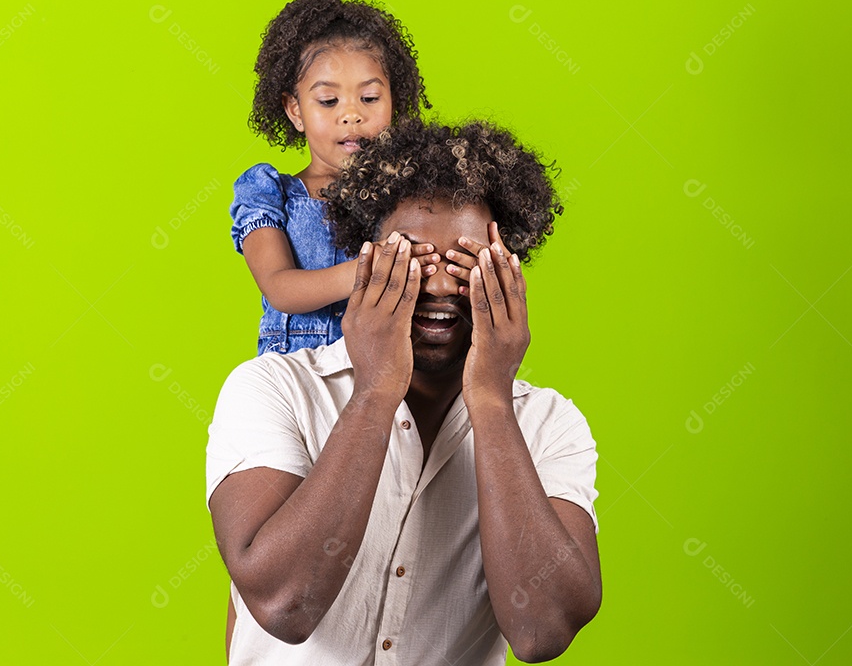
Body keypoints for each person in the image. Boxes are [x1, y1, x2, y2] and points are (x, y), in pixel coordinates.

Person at [207, 120, 601, 665]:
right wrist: (374, 391)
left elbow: (542, 632)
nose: (440, 287)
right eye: (414, 260)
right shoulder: (272, 390)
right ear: (366, 260)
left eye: (467, 265)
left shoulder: (549, 423)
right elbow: (284, 605)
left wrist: (490, 399)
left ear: (507, 270)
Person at [230, 0, 437, 356]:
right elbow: (280, 288)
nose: (351, 114)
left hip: (384, 372)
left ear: (395, 101)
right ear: (294, 110)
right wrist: (370, 268)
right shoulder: (267, 191)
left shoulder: (409, 193)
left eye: (370, 98)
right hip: (295, 377)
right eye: (329, 101)